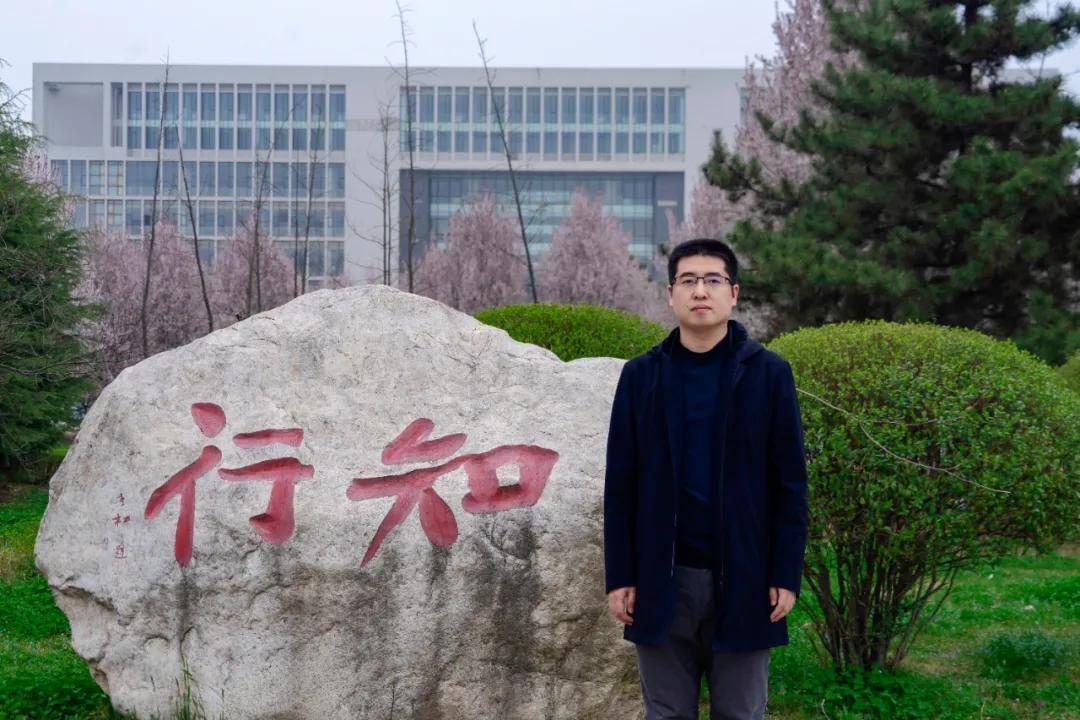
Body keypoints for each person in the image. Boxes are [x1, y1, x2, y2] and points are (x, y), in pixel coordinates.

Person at [603, 238, 808, 719]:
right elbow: (621, 485)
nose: (700, 291)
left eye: (713, 280)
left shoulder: (769, 374)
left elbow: (790, 485)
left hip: (746, 576)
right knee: (666, 713)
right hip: (660, 577)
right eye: (688, 280)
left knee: (741, 712)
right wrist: (621, 575)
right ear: (670, 294)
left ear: (733, 293)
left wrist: (784, 573)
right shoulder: (641, 377)